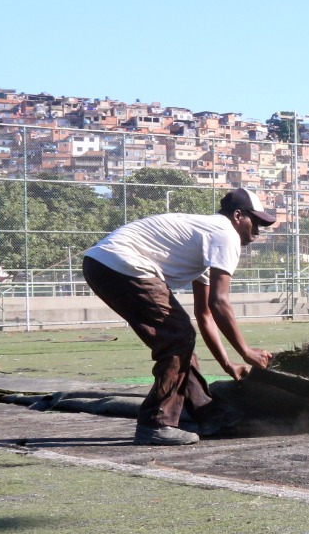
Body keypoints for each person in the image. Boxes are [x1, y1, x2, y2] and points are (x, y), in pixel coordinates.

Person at [82, 188, 276, 446]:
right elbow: (220, 303)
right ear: (238, 216)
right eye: (256, 222)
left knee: (179, 339)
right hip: (122, 264)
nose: (258, 231)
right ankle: (156, 423)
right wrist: (245, 351)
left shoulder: (206, 240)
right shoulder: (225, 234)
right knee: (178, 337)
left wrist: (228, 364)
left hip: (102, 264)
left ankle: (204, 413)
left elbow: (204, 314)